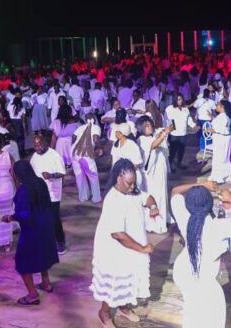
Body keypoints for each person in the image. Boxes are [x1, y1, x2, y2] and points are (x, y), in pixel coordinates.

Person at [170, 179, 231, 328]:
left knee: (192, 309)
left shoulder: (185, 218)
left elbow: (175, 192)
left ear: (188, 205)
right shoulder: (218, 227)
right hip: (205, 281)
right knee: (212, 318)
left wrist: (201, 185)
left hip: (183, 272)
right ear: (210, 204)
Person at [91, 159, 160, 327]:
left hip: (131, 244)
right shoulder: (113, 200)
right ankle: (104, 313)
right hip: (115, 249)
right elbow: (118, 234)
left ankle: (123, 307)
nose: (132, 186)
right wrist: (142, 248)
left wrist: (153, 207)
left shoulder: (132, 191)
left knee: (129, 279)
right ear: (118, 178)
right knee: (114, 283)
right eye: (129, 183)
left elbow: (147, 197)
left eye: (134, 182)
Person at [1, 160, 59, 305]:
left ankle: (32, 295)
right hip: (47, 226)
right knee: (43, 254)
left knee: (23, 262)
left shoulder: (23, 190)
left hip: (32, 230)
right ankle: (46, 283)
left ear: (17, 174)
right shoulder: (40, 182)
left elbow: (24, 215)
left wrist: (10, 218)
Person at [30, 134, 68, 254]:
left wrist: (52, 175)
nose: (37, 148)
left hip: (53, 193)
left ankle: (60, 241)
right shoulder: (34, 157)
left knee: (54, 218)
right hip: (39, 192)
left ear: (45, 143)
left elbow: (62, 173)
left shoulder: (54, 155)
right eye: (35, 145)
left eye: (39, 145)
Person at [137, 116, 171, 233]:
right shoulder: (141, 139)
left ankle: (164, 216)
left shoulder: (152, 137)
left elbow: (156, 142)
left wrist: (160, 135)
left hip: (160, 171)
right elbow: (152, 146)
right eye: (146, 126)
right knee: (155, 196)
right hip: (151, 174)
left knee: (162, 194)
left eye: (150, 124)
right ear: (141, 128)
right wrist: (164, 134)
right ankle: (154, 223)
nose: (150, 127)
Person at [70, 113, 103, 203]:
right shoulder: (96, 127)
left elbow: (73, 137)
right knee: (93, 175)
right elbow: (95, 139)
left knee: (79, 175)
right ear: (94, 119)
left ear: (85, 120)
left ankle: (83, 197)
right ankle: (96, 198)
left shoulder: (81, 127)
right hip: (85, 154)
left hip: (74, 152)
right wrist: (100, 148)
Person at [165, 94, 196, 169]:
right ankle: (170, 166)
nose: (180, 101)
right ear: (175, 100)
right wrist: (169, 129)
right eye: (178, 99)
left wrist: (193, 125)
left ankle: (179, 163)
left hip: (183, 133)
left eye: (181, 99)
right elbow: (167, 120)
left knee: (182, 150)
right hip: (174, 134)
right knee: (173, 151)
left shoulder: (185, 109)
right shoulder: (170, 108)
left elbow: (188, 119)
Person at [109, 122, 144, 190]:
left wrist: (125, 172)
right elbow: (114, 161)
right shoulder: (116, 144)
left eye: (117, 131)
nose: (115, 133)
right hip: (119, 177)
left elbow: (136, 163)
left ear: (122, 134)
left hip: (132, 177)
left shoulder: (132, 145)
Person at [207, 100, 231, 183]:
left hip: (221, 138)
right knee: (225, 157)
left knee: (219, 157)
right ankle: (226, 176)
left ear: (222, 107)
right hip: (225, 138)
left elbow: (221, 129)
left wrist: (210, 130)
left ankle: (219, 177)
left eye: (218, 104)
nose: (216, 106)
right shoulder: (225, 116)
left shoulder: (222, 117)